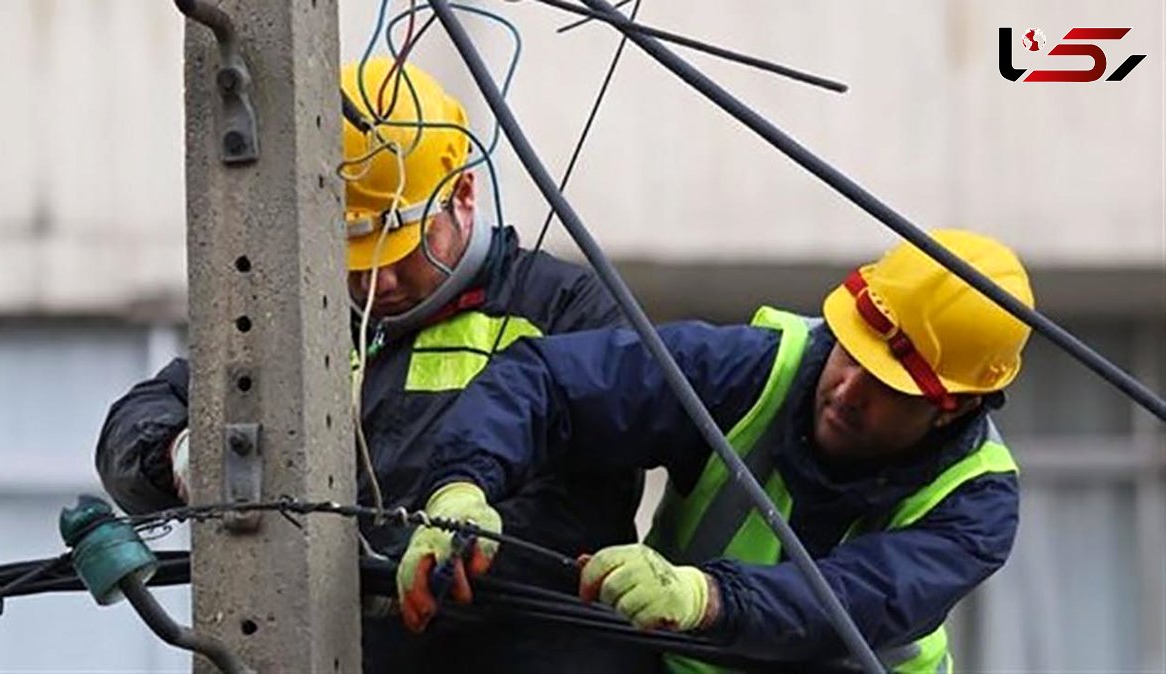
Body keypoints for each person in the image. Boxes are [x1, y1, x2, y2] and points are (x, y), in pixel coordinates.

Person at [94, 57, 651, 674]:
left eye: (399, 243)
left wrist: (412, 558)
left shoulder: (564, 311)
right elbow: (136, 422)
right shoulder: (297, 323)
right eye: (353, 250)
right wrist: (182, 457)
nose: (377, 278)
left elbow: (588, 501)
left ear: (463, 194)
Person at [398, 230, 1034, 673]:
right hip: (684, 664)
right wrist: (461, 489)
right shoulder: (757, 370)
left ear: (953, 405)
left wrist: (704, 597)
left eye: (885, 385)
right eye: (850, 350)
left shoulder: (976, 504)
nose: (845, 388)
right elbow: (549, 383)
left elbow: (850, 602)